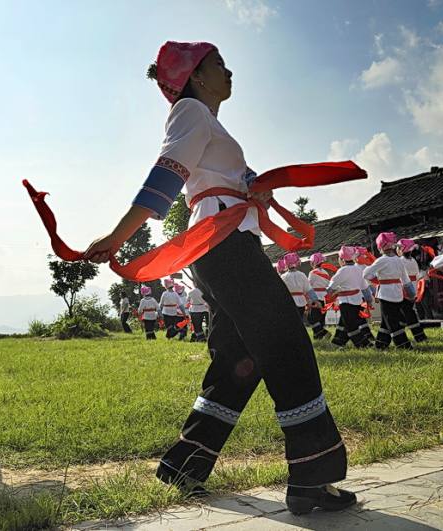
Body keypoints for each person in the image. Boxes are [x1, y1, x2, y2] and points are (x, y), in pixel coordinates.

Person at [83, 41, 354, 514]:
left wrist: (255, 187)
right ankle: (313, 476)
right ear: (197, 77)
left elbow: (218, 177)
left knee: (239, 356)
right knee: (285, 343)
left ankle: (185, 465)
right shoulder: (190, 111)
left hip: (225, 242)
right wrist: (117, 236)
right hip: (221, 242)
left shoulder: (208, 120)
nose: (230, 72)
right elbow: (167, 177)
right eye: (219, 65)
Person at [362, 233, 414, 350]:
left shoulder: (381, 260)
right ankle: (380, 344)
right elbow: (405, 280)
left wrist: (376, 279)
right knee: (387, 321)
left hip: (385, 294)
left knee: (392, 322)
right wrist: (411, 294)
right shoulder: (399, 260)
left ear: (380, 247)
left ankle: (404, 345)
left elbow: (365, 274)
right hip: (398, 293)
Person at [327, 246, 372, 348]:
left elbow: (330, 288)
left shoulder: (342, 271)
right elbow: (365, 287)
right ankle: (338, 342)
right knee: (345, 322)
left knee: (351, 326)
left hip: (346, 302)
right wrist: (369, 300)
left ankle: (365, 345)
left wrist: (333, 291)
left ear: (342, 259)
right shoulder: (358, 269)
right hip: (358, 301)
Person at [396, 239, 427, 343]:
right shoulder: (413, 260)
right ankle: (401, 334)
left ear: (401, 249)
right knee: (403, 314)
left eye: (398, 247)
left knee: (408, 313)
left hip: (404, 290)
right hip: (413, 289)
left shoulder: (399, 261)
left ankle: (419, 336)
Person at [280, 253, 319, 319]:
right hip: (301, 301)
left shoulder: (283, 277)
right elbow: (308, 289)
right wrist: (315, 300)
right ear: (296, 263)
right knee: (300, 319)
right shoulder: (302, 275)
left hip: (289, 301)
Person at [306, 253, 330, 340]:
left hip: (315, 298)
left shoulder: (312, 272)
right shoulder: (325, 272)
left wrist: (308, 299)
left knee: (311, 319)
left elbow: (308, 285)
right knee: (320, 319)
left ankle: (324, 333)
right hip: (324, 298)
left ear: (313, 263)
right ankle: (318, 338)